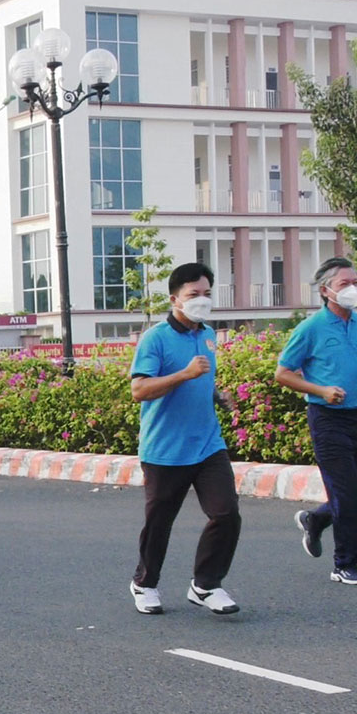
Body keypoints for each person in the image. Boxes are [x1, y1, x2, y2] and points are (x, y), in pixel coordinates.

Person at [127, 263, 241, 616]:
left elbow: (201, 380)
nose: (202, 300)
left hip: (207, 444)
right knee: (160, 523)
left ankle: (205, 584)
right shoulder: (155, 338)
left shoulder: (207, 335)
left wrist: (217, 395)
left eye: (207, 293)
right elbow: (139, 389)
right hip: (165, 449)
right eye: (194, 295)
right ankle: (144, 584)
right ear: (175, 298)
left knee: (227, 514)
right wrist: (185, 374)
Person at [277, 256, 357, 586]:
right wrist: (321, 390)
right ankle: (345, 564)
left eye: (356, 283)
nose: (353, 289)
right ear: (326, 290)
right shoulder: (311, 328)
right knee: (345, 494)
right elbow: (282, 373)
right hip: (327, 419)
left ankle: (315, 519)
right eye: (345, 284)